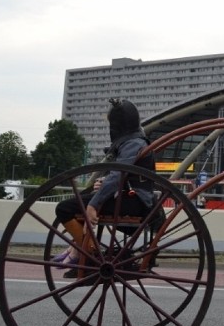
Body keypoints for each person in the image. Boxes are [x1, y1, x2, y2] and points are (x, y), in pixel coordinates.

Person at [52, 98, 156, 276]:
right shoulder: (134, 141)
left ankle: (90, 254)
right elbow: (121, 174)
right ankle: (78, 248)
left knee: (64, 209)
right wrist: (104, 184)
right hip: (129, 196)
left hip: (133, 200)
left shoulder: (133, 143)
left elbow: (119, 174)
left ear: (118, 124)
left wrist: (94, 204)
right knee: (80, 199)